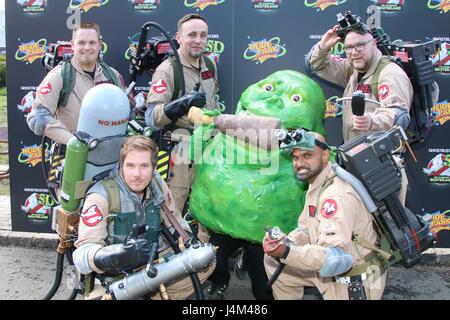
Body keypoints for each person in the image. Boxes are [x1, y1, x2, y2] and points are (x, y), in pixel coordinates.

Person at [73, 135, 214, 300]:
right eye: (130, 166)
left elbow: (175, 222)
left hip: (153, 265)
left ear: (154, 167)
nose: (137, 174)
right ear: (121, 165)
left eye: (144, 166)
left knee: (206, 263)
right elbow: (81, 257)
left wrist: (188, 240)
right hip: (112, 280)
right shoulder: (101, 196)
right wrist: (115, 256)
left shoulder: (157, 184)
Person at [263, 130, 387, 300]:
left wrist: (286, 252)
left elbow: (336, 258)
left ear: (324, 156)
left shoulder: (335, 196)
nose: (300, 163)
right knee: (274, 263)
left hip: (353, 279)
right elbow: (305, 230)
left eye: (307, 156)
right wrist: (285, 242)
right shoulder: (318, 182)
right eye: (295, 157)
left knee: (284, 258)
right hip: (332, 267)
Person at [305, 21, 413, 204]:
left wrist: (371, 121)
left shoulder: (389, 74)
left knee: (386, 223)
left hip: (382, 166)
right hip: (356, 161)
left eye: (359, 46)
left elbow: (399, 115)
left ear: (373, 44)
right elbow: (316, 65)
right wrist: (323, 46)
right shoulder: (353, 69)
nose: (354, 52)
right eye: (348, 48)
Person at [144, 13, 219, 218]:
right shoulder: (168, 70)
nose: (198, 40)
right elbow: (152, 117)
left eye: (203, 35)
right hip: (179, 153)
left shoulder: (209, 66)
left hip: (207, 150)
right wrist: (183, 103)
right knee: (171, 215)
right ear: (179, 37)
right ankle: (167, 251)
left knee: (205, 214)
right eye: (192, 35)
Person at [27, 21, 126, 145]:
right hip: (71, 156)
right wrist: (73, 142)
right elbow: (38, 118)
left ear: (100, 45)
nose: (87, 47)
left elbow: (127, 113)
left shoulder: (113, 75)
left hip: (109, 155)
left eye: (92, 42)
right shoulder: (59, 76)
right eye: (81, 42)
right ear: (73, 45)